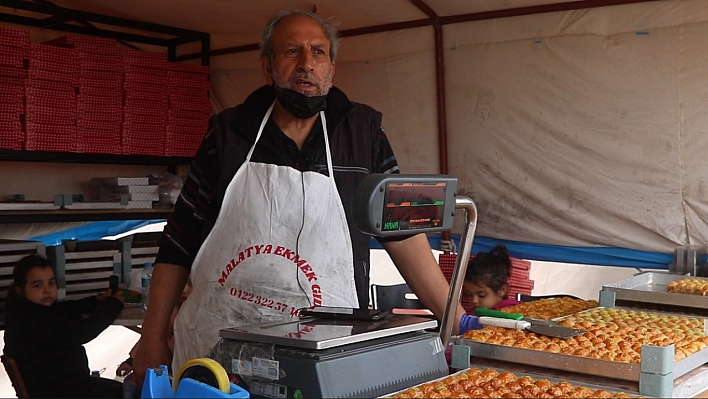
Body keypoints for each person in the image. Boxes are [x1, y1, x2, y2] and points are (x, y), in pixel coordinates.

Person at [132, 9, 468, 383]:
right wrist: (151, 335)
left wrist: (456, 322)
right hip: (221, 345)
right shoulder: (229, 134)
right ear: (267, 66)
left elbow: (401, 230)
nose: (307, 64)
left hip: (326, 349)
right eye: (292, 51)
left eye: (318, 53)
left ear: (332, 68)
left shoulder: (362, 133)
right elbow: (180, 240)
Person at [3, 254, 125, 398]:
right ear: (20, 290)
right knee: (131, 390)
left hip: (58, 388)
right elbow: (83, 332)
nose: (47, 290)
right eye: (37, 285)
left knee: (123, 388)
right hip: (63, 392)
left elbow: (64, 309)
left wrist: (96, 301)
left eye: (51, 283)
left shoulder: (23, 311)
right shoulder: (33, 321)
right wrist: (113, 305)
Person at [463, 244, 523, 312]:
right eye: (469, 295)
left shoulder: (510, 314)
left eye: (481, 295)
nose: (474, 301)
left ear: (502, 290)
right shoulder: (479, 313)